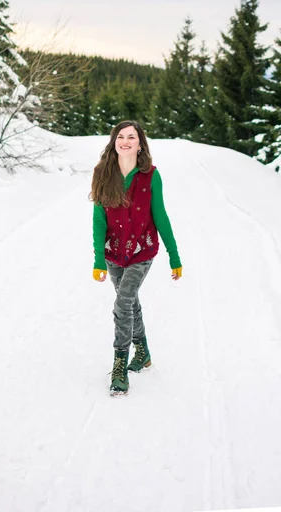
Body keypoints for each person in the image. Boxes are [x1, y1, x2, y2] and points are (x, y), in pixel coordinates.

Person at [90, 120, 182, 396]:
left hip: (142, 250)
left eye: (132, 137)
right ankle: (142, 352)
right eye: (121, 137)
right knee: (131, 303)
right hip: (113, 251)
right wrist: (97, 259)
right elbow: (98, 219)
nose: (126, 141)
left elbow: (160, 216)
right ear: (114, 142)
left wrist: (174, 255)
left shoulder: (151, 176)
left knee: (124, 301)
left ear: (140, 144)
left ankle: (120, 363)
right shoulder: (102, 173)